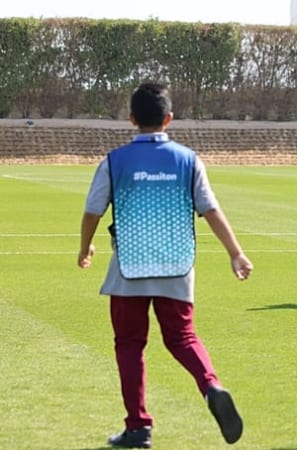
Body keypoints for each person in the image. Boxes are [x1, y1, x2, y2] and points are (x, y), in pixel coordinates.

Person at [77, 83, 252, 448]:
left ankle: (138, 426)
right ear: (169, 119)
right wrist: (235, 252)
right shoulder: (188, 160)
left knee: (129, 344)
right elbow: (210, 210)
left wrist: (86, 247)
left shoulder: (114, 160)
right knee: (182, 337)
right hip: (177, 263)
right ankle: (211, 385)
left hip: (129, 267)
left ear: (131, 119)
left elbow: (93, 210)